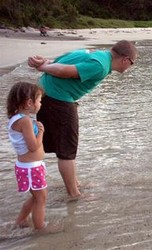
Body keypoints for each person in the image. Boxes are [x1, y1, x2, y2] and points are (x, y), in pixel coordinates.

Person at [27, 40, 137, 199]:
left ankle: (74, 183)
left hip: (48, 94)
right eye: (132, 64)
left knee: (65, 146)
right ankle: (74, 194)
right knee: (67, 149)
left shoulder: (97, 54)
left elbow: (60, 61)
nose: (129, 68)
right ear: (125, 59)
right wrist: (42, 66)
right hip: (57, 98)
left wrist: (44, 62)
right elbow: (64, 70)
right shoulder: (100, 66)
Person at [6, 81, 47, 230]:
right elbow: (33, 146)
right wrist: (41, 131)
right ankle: (40, 228)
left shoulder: (16, 119)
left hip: (29, 166)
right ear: (29, 103)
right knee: (40, 198)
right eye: (39, 100)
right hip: (30, 168)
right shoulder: (25, 121)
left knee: (38, 196)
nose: (41, 103)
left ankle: (21, 220)